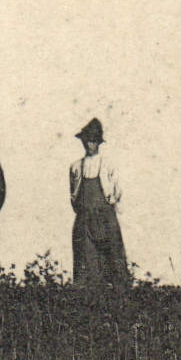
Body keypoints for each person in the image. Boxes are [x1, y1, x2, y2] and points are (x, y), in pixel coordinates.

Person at [70, 117, 128, 287]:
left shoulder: (107, 165)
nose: (90, 145)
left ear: (99, 143)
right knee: (85, 258)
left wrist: (108, 206)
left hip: (105, 217)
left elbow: (117, 191)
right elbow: (73, 196)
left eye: (93, 141)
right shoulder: (75, 167)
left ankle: (118, 294)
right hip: (84, 218)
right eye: (87, 141)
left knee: (113, 256)